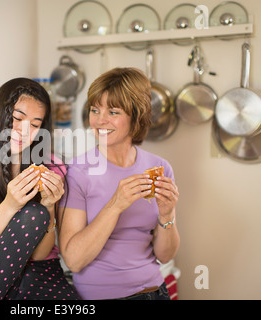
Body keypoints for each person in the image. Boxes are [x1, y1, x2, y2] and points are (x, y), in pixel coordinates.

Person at [0, 77, 79, 300]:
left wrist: (48, 206)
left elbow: (40, 255)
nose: (24, 130)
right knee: (31, 212)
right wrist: (10, 205)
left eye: (36, 124)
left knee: (36, 212)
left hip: (40, 270)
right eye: (17, 118)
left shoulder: (53, 168)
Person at [58, 68, 180, 300]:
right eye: (95, 110)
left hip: (154, 292)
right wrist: (115, 205)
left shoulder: (160, 168)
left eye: (113, 111)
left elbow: (165, 256)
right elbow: (74, 260)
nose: (100, 120)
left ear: (136, 116)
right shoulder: (77, 172)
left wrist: (167, 214)